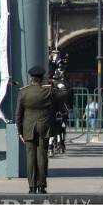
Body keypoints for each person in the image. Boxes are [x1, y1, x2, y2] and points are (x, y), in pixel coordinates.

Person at [16, 66, 70, 194]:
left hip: (28, 128)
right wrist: (54, 82)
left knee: (30, 157)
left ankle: (31, 186)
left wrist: (19, 131)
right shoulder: (48, 90)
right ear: (42, 77)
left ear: (31, 78)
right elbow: (66, 91)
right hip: (44, 127)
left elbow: (18, 114)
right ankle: (42, 185)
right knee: (42, 156)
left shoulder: (24, 92)